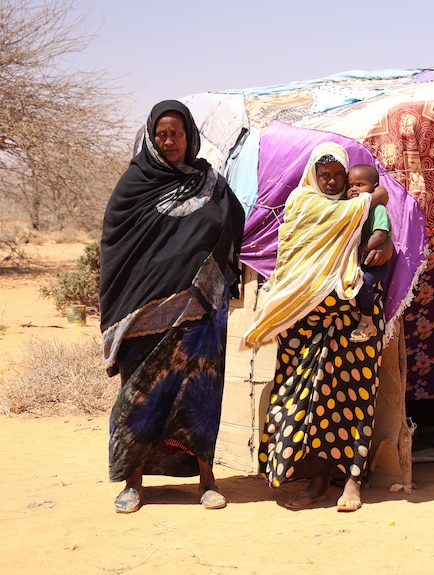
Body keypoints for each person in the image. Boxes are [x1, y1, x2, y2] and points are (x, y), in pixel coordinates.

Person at [100, 100, 246, 514]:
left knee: (200, 394)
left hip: (201, 310)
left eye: (176, 134)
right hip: (144, 313)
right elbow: (115, 245)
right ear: (151, 136)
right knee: (141, 397)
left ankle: (207, 481)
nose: (169, 142)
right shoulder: (133, 185)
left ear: (189, 137)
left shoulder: (210, 183)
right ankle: (133, 483)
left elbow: (235, 226)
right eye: (162, 134)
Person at [241, 142, 393, 512]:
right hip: (304, 320)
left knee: (352, 399)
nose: (330, 181)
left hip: (349, 319)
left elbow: (377, 219)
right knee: (303, 400)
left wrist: (383, 238)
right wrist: (374, 197)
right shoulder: (302, 203)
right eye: (324, 174)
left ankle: (353, 482)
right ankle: (317, 480)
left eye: (338, 175)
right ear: (312, 174)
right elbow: (301, 252)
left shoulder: (356, 208)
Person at [345, 163, 391, 343]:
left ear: (375, 187)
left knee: (365, 281)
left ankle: (367, 321)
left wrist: (359, 252)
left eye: (360, 185)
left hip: (371, 262)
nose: (354, 190)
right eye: (350, 186)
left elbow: (379, 235)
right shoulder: (348, 208)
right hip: (353, 260)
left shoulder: (377, 209)